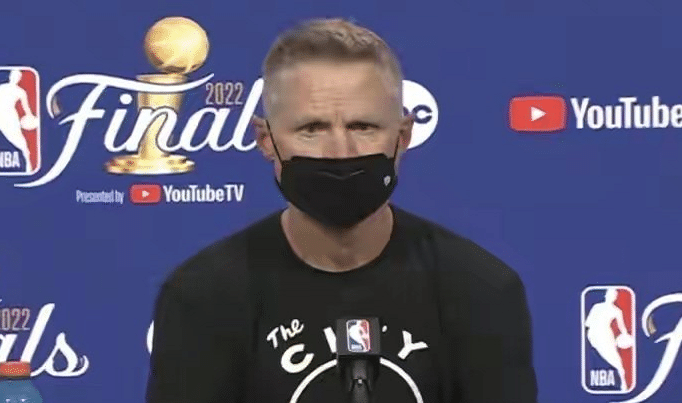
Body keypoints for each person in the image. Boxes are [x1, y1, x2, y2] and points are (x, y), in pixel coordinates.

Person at [146, 17, 538, 403]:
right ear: (266, 140)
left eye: (362, 127)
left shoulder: (480, 290)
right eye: (311, 129)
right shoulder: (202, 297)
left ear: (403, 136)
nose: (340, 152)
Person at [585, 288, 632, 391]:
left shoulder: (617, 311)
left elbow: (622, 326)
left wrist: (626, 336)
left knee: (617, 360)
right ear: (606, 295)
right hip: (595, 334)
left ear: (615, 298)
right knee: (602, 356)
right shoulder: (597, 307)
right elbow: (588, 323)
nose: (612, 297)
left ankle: (623, 383)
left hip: (607, 335)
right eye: (610, 295)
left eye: (614, 295)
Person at [0, 69, 35, 172]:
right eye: (14, 76)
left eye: (18, 77)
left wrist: (31, 118)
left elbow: (26, 109)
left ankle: (28, 163)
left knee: (20, 141)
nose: (16, 78)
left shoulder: (21, 92)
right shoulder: (1, 88)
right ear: (10, 76)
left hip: (10, 116)